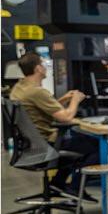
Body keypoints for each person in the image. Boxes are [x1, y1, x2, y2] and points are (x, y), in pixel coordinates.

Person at [9, 52, 99, 201]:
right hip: (47, 146)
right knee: (96, 147)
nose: (45, 67)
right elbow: (66, 117)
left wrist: (63, 99)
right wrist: (75, 100)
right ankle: (75, 188)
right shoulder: (37, 92)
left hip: (32, 147)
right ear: (38, 68)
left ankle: (57, 183)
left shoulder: (19, 87)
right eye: (43, 64)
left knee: (79, 144)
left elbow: (42, 108)